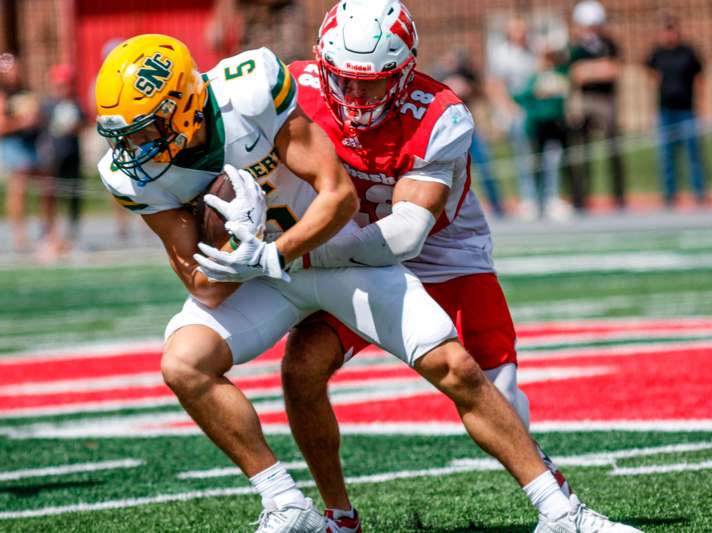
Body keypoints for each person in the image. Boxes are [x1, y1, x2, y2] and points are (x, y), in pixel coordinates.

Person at [95, 33, 627, 533]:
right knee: (183, 363)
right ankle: (286, 501)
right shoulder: (130, 174)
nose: (135, 147)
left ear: (183, 107)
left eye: (144, 129)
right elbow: (202, 285)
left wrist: (274, 249)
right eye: (126, 135)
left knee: (454, 366)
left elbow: (338, 196)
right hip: (263, 272)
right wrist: (237, 253)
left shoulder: (249, 90)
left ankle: (562, 513)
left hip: (333, 255)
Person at [568, 0, 626, 212]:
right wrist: (598, 68)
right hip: (586, 100)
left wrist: (590, 70)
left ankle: (619, 197)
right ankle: (581, 198)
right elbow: (576, 74)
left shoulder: (608, 44)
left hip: (606, 100)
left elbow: (614, 70)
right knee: (582, 150)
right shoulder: (575, 47)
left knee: (614, 148)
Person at [645, 15, 708, 207]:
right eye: (665, 30)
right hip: (665, 111)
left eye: (671, 29)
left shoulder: (688, 52)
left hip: (687, 110)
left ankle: (699, 194)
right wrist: (650, 112)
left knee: (693, 154)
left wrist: (705, 108)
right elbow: (651, 80)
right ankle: (669, 195)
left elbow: (700, 80)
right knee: (666, 156)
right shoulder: (657, 55)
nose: (669, 34)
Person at [434, 48, 505, 217]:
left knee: (484, 166)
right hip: (447, 131)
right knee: (446, 169)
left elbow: (482, 94)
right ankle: (448, 208)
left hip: (469, 128)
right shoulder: (438, 75)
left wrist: (468, 89)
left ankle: (496, 204)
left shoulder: (468, 74)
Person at [513, 43, 574, 221]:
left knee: (554, 161)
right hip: (536, 124)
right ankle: (533, 200)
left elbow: (565, 94)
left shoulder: (561, 74)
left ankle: (552, 198)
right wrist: (536, 92)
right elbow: (520, 96)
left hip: (555, 124)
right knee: (534, 163)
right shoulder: (534, 77)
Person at [486, 16, 538, 218]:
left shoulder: (533, 51)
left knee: (545, 152)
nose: (521, 34)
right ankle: (528, 197)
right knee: (523, 154)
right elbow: (495, 84)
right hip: (515, 109)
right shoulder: (501, 54)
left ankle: (546, 196)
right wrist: (509, 109)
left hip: (535, 109)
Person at [38, 64, 85, 257]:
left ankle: (71, 234)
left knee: (74, 195)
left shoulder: (75, 104)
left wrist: (76, 126)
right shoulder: (48, 105)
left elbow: (84, 122)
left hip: (72, 154)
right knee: (51, 196)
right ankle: (49, 233)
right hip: (52, 155)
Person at [0, 53, 41, 252]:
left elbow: (36, 114)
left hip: (31, 142)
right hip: (13, 144)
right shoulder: (3, 94)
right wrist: (22, 122)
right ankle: (19, 234)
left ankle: (47, 230)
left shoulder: (26, 91)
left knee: (46, 184)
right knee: (18, 189)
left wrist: (36, 119)